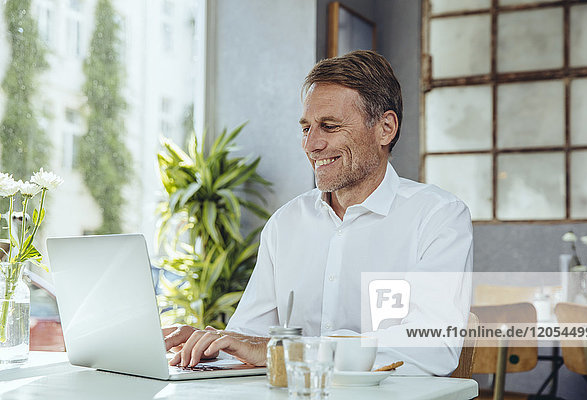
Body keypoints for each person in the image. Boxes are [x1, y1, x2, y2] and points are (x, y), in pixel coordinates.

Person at [164, 50, 473, 375]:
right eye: (306, 128)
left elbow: (432, 349)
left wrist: (289, 351)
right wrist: (210, 347)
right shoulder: (285, 225)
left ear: (385, 128)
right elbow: (251, 342)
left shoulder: (439, 218)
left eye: (329, 126)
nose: (311, 145)